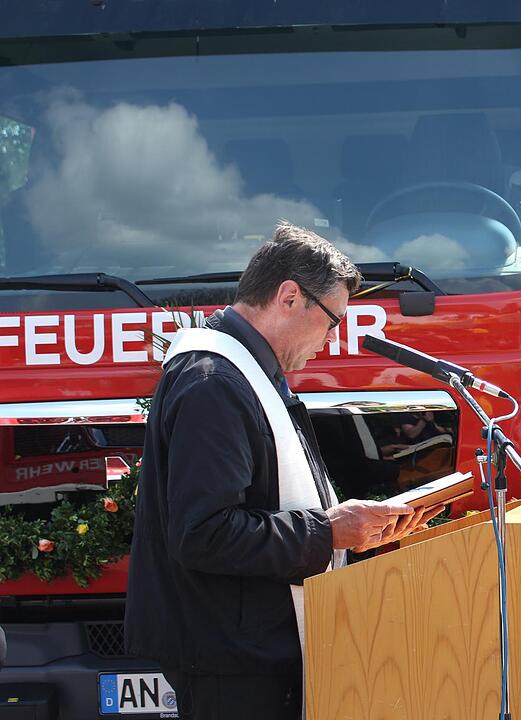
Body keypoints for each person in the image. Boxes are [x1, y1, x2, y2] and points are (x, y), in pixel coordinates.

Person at [126, 222, 440, 720]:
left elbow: (269, 500)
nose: (333, 340)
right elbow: (204, 533)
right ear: (289, 296)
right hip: (230, 659)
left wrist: (354, 526)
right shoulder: (213, 384)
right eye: (332, 320)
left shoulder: (244, 373)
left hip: (247, 645)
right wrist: (330, 530)